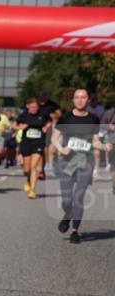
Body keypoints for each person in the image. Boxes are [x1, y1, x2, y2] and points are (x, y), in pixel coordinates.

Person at [52, 89, 111, 242]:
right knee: (66, 199)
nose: (80, 100)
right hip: (67, 161)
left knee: (79, 195)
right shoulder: (66, 118)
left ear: (87, 100)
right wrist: (61, 148)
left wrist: (104, 146)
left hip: (86, 161)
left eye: (83, 97)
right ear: (73, 100)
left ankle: (74, 231)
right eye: (77, 97)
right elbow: (54, 137)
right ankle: (67, 215)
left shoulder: (93, 119)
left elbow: (95, 140)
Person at [15, 97, 51, 199]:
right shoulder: (24, 115)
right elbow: (14, 125)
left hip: (38, 142)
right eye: (32, 107)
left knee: (33, 167)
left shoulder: (42, 114)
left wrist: (46, 127)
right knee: (27, 169)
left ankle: (33, 190)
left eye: (36, 107)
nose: (34, 109)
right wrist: (20, 128)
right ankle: (28, 180)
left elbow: (49, 121)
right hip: (26, 143)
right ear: (28, 107)